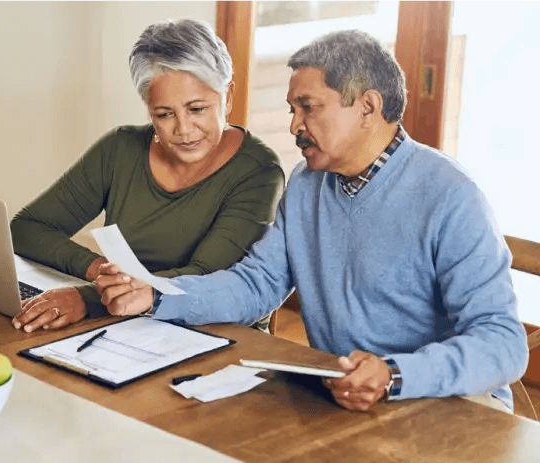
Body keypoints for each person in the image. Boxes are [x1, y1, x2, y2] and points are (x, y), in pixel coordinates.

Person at [95, 30, 528, 412]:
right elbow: (257, 284)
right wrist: (156, 296)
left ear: (367, 106)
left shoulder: (451, 195)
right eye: (291, 109)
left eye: (307, 108)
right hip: (346, 400)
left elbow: (503, 344)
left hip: (450, 408)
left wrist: (394, 375)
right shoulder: (307, 183)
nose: (293, 126)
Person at [10, 19, 285, 334]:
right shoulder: (120, 148)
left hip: (216, 335)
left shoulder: (259, 171)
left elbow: (208, 278)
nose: (183, 130)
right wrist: (102, 272)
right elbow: (27, 229)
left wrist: (88, 298)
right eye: (164, 114)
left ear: (228, 96)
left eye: (197, 109)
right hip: (126, 327)